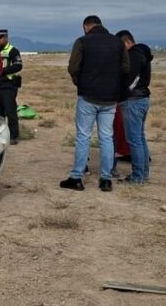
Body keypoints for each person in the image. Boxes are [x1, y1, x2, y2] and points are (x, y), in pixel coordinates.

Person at [62, 16, 129, 192]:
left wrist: (80, 82)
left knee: (83, 137)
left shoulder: (82, 42)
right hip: (110, 98)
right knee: (106, 138)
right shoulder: (117, 42)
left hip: (88, 97)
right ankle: (106, 179)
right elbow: (125, 68)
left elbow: (73, 68)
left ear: (86, 26)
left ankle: (77, 178)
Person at [116, 30, 153, 184]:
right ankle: (143, 173)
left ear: (127, 43)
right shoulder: (143, 54)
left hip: (133, 100)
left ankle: (138, 176)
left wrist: (119, 93)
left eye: (120, 46)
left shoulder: (134, 56)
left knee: (134, 140)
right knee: (140, 138)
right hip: (142, 98)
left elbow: (129, 81)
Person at [0, 29, 23, 145]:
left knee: (10, 111)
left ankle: (14, 136)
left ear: (6, 38)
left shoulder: (13, 51)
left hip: (8, 86)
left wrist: (2, 71)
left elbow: (18, 66)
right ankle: (0, 135)